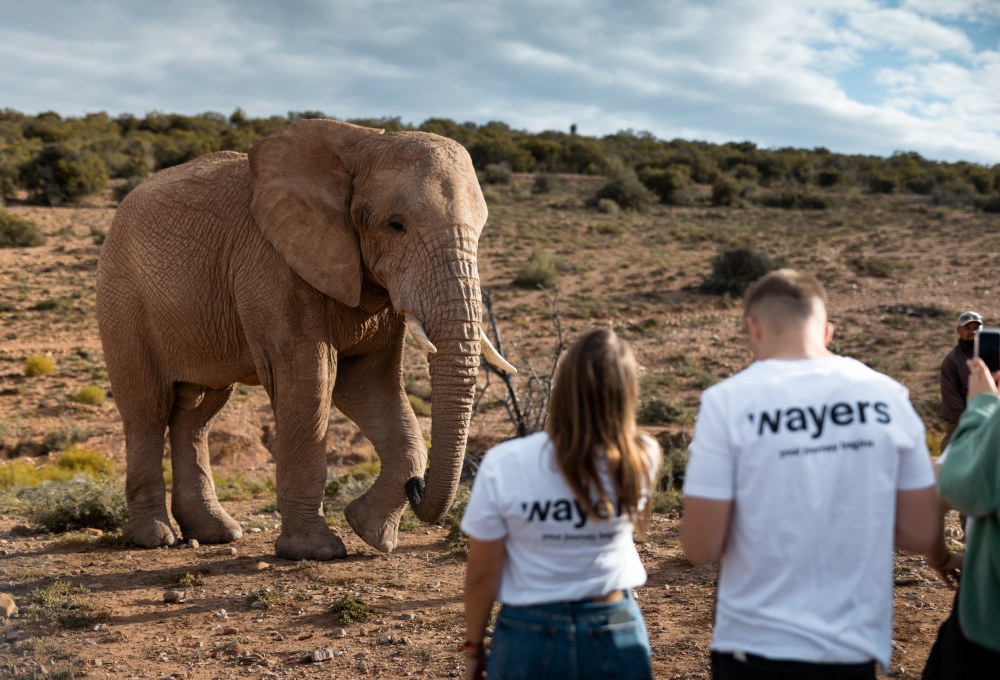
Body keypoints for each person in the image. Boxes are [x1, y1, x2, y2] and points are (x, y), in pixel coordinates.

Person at [680, 269, 939, 680]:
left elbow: (700, 546)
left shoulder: (726, 401)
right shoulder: (887, 395)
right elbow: (920, 533)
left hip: (754, 643)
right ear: (826, 330)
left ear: (754, 328)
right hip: (851, 644)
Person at [460, 328, 661, 680]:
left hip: (527, 628)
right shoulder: (643, 456)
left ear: (561, 386)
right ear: (628, 390)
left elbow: (482, 573)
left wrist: (474, 647)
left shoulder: (505, 461)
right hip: (615, 620)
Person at [923, 357, 1000, 678]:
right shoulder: (953, 360)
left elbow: (937, 491)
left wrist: (980, 408)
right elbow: (950, 395)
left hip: (988, 626)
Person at [940, 311, 983, 450]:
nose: (973, 332)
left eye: (977, 327)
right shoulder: (952, 360)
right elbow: (950, 397)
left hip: (993, 417)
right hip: (964, 420)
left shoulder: (993, 355)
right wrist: (968, 421)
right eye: (968, 328)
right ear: (959, 330)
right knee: (950, 455)